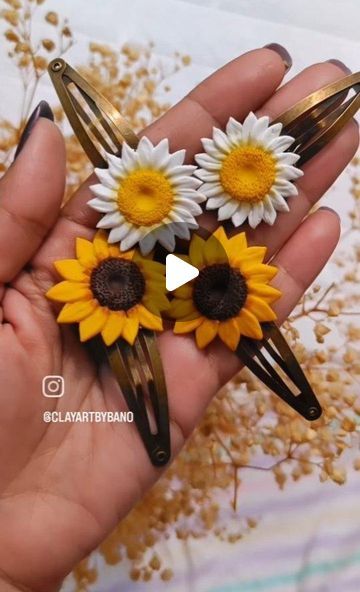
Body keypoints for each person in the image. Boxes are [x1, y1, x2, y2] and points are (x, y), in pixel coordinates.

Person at [0, 45, 357, 592]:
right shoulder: (141, 241)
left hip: (192, 265)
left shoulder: (197, 238)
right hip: (134, 269)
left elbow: (181, 275)